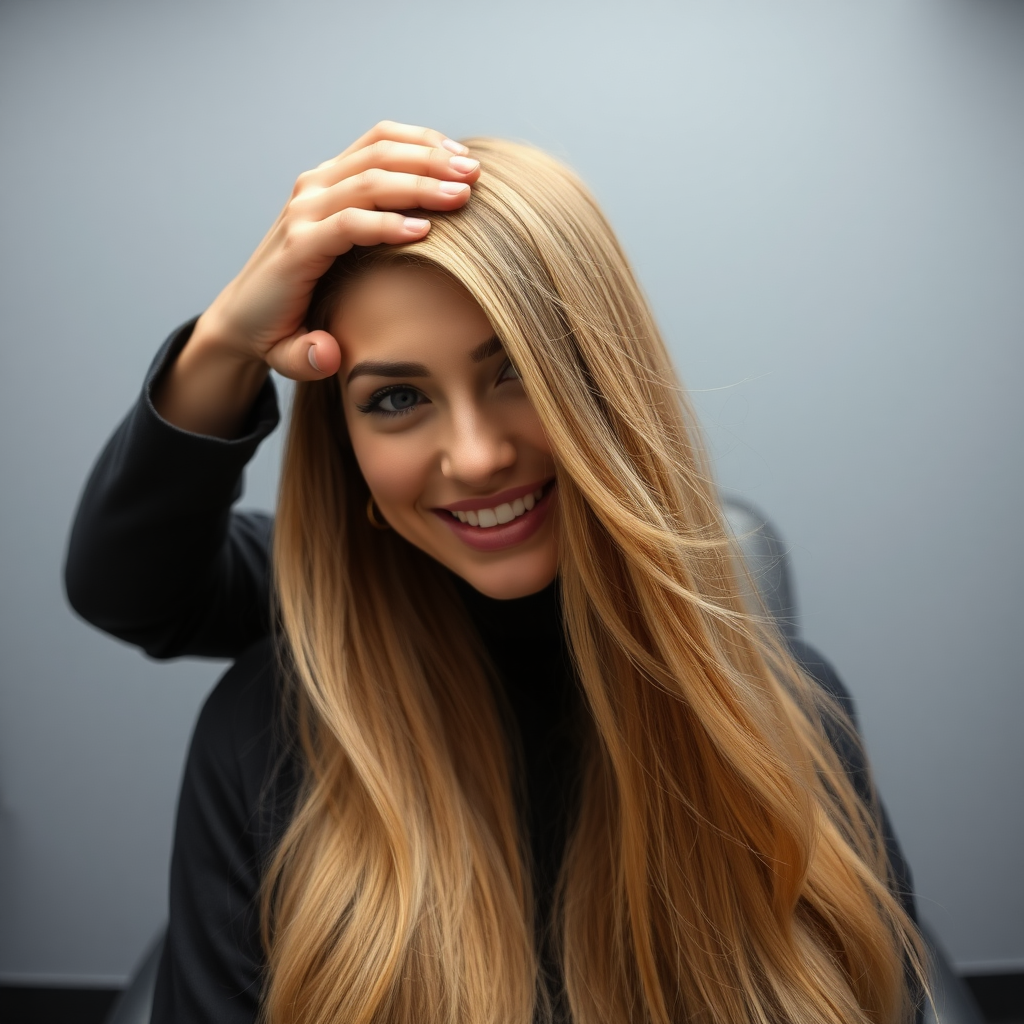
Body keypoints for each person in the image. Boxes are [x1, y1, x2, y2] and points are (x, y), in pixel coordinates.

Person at [65, 122, 925, 1024]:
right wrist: (225, 341)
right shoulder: (264, 737)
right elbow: (131, 584)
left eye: (516, 371)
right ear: (347, 450)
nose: (475, 458)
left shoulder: (792, 715)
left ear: (606, 384)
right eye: (397, 399)